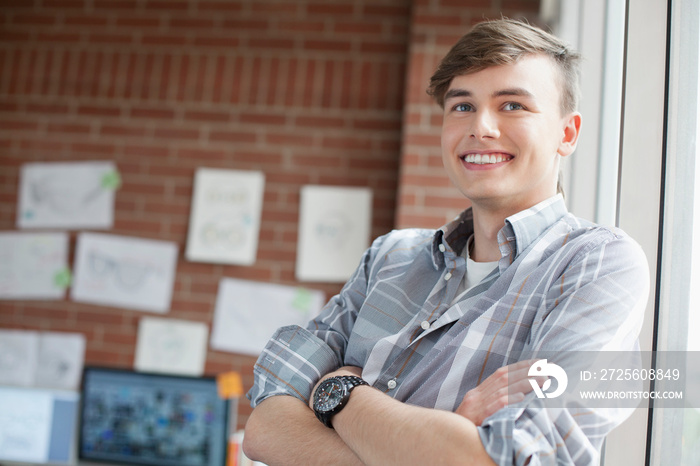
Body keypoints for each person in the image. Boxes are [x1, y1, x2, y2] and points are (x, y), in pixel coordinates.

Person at [242, 18, 649, 465]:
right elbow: (263, 427)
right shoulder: (390, 257)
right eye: (461, 107)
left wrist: (338, 394)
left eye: (512, 105)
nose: (482, 127)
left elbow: (502, 460)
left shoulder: (597, 263)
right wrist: (435, 442)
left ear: (567, 134)